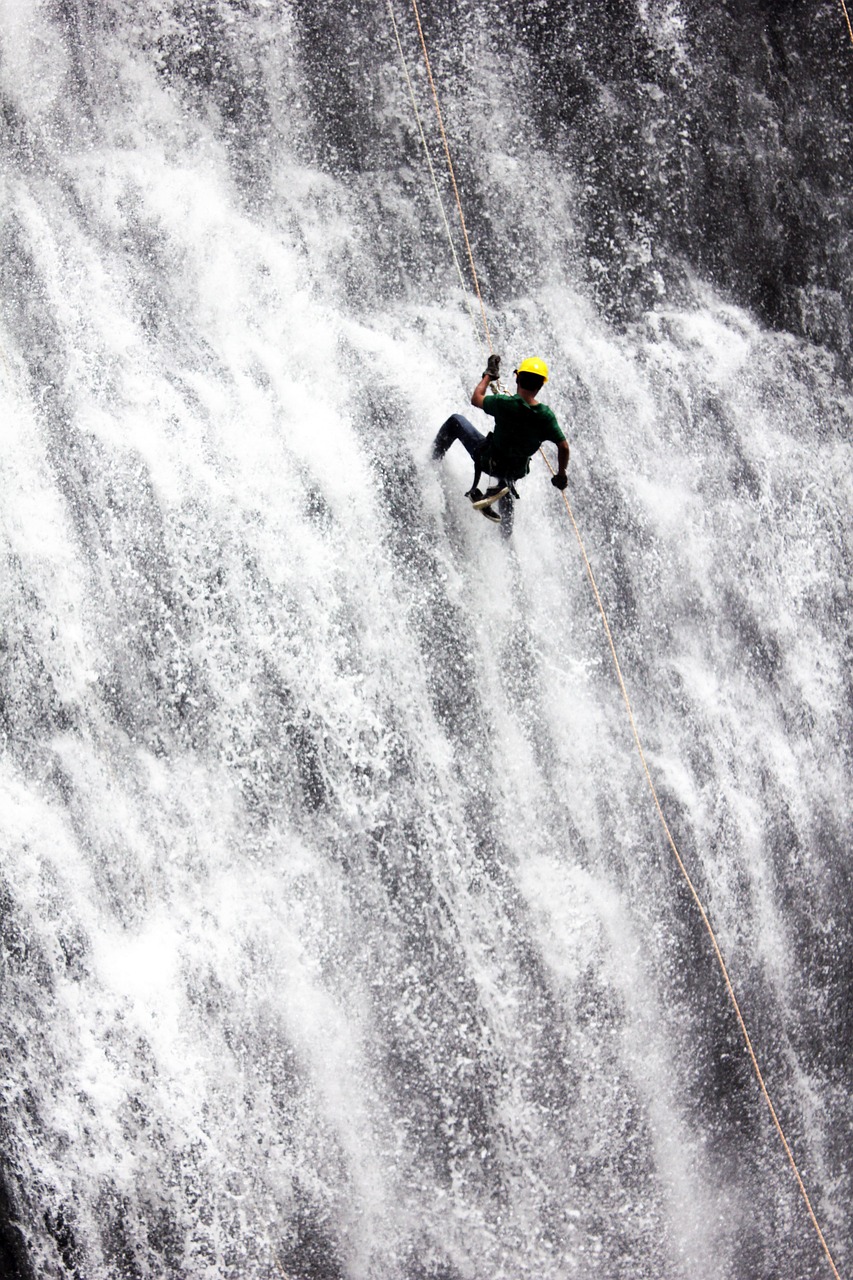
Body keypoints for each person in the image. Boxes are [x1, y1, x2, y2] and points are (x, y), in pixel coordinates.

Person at [432, 355, 569, 532]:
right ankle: (506, 536)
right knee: (507, 481)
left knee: (455, 421)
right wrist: (561, 474)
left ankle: (431, 461)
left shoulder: (504, 403)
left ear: (517, 379)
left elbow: (476, 398)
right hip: (514, 471)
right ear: (540, 386)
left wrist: (488, 376)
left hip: (488, 460)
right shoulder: (546, 416)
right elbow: (563, 446)